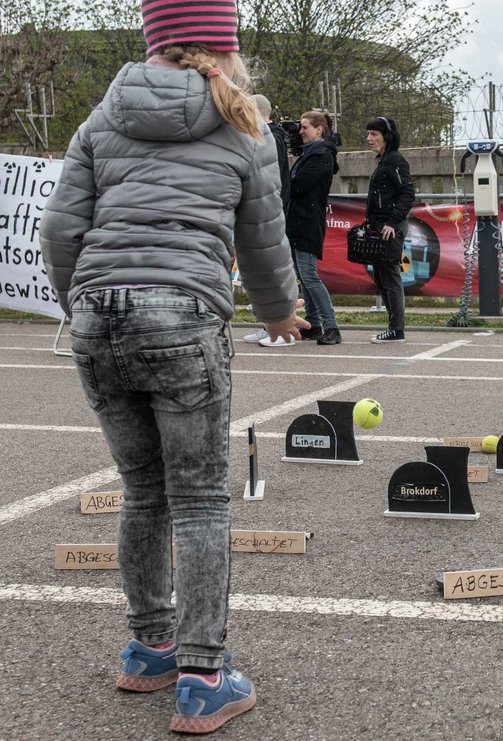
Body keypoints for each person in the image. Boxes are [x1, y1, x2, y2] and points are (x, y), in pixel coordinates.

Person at [39, 0, 307, 733]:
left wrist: (84, 303)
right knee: (199, 500)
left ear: (153, 42)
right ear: (224, 47)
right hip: (182, 316)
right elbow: (264, 236)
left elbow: (60, 229)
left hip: (97, 317)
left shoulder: (101, 118)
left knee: (142, 491)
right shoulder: (243, 121)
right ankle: (203, 675)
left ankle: (149, 647)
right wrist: (278, 313)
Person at [245, 93, 296, 348]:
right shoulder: (269, 136)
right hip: (271, 206)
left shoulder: (270, 138)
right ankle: (268, 324)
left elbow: (268, 178)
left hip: (273, 208)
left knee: (272, 268)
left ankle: (280, 327)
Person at [287, 109, 341, 345]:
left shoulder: (322, 156)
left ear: (319, 129)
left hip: (308, 221)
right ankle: (313, 323)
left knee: (309, 275)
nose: (300, 131)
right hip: (298, 220)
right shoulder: (309, 154)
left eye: (305, 127)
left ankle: (331, 326)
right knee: (303, 275)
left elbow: (298, 185)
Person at [364, 116, 415, 343]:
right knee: (381, 277)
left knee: (390, 276)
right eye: (368, 134)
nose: (369, 138)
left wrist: (392, 223)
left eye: (374, 134)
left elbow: (407, 194)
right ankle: (393, 327)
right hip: (379, 227)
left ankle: (396, 329)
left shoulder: (395, 160)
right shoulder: (384, 160)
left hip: (390, 228)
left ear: (387, 136)